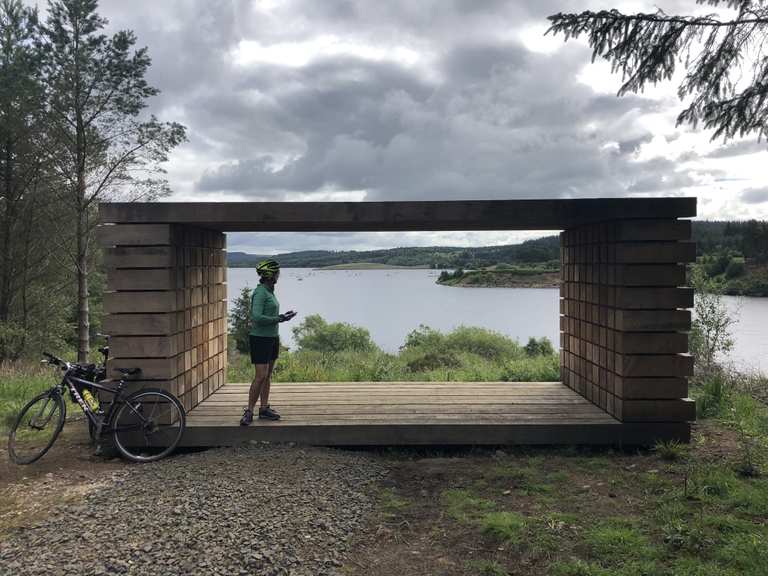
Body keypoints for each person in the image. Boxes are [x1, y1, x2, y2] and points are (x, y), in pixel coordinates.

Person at [240, 259, 296, 425]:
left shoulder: (269, 291)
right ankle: (249, 411)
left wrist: (283, 316)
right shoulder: (260, 293)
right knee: (260, 376)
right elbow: (256, 317)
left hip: (272, 338)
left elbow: (269, 314)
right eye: (277, 272)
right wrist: (279, 318)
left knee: (268, 375)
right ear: (270, 275)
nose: (279, 275)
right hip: (260, 339)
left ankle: (263, 409)